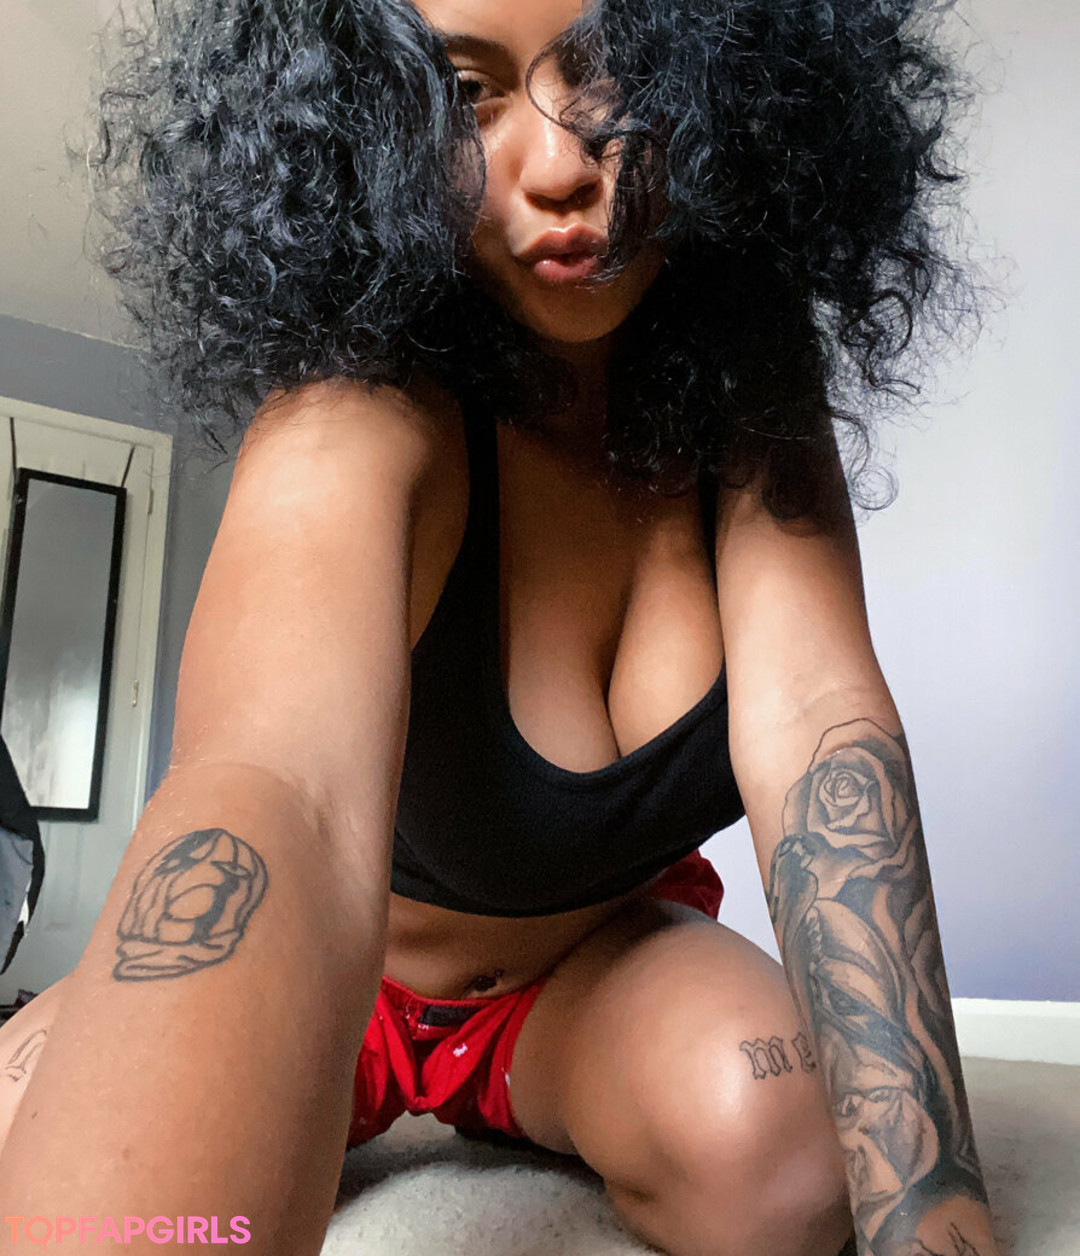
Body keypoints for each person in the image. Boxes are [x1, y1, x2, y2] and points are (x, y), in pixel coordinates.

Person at [0, 1, 1000, 1253]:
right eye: (466, 93)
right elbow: (281, 787)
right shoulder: (356, 410)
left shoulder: (753, 386)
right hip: (342, 980)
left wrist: (937, 1211)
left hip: (584, 978)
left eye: (617, 70)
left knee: (784, 1152)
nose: (564, 163)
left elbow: (820, 730)